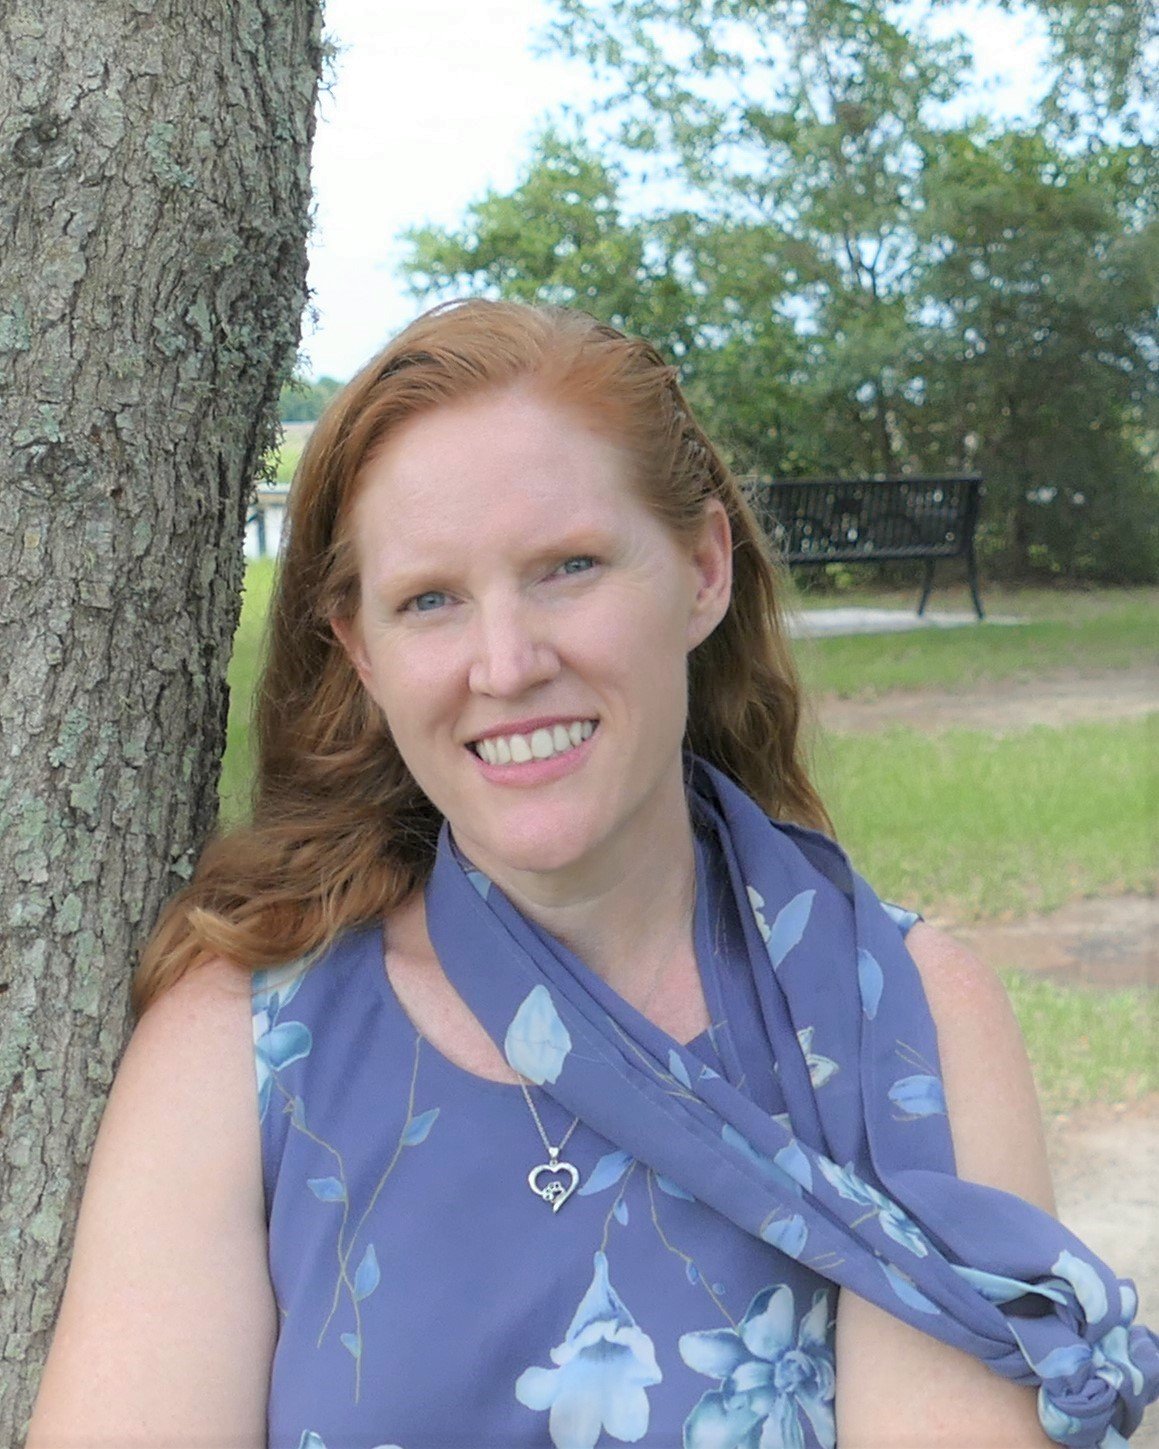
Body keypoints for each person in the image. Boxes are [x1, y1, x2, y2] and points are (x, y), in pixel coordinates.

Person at [28, 300, 1156, 1449]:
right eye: (431, 600)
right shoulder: (244, 1050)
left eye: (567, 567)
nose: (507, 663)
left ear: (702, 570)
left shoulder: (903, 1021)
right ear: (361, 650)